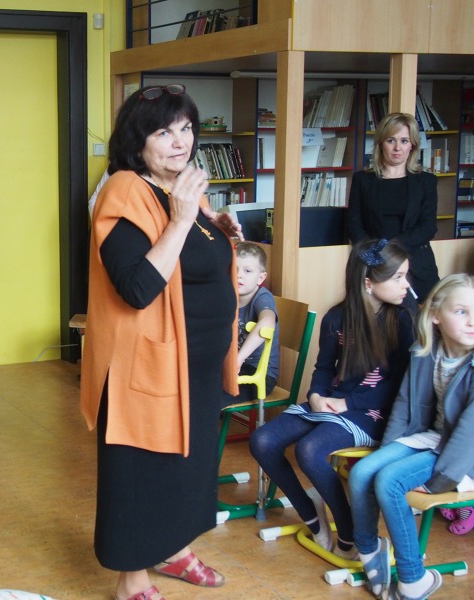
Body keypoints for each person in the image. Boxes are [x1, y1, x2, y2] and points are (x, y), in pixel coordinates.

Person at [79, 83, 243, 600]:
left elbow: (191, 261)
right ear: (137, 141)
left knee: (188, 468)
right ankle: (131, 578)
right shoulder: (124, 190)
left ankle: (174, 550)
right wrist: (183, 219)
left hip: (197, 364)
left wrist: (218, 231)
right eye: (164, 132)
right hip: (143, 366)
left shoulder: (183, 190)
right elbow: (137, 287)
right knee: (141, 472)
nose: (180, 142)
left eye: (186, 128)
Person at [249, 239, 415, 560]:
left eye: (405, 276)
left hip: (374, 412)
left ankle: (349, 532)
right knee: (262, 440)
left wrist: (348, 404)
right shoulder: (336, 318)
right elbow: (324, 367)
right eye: (397, 277)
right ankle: (312, 514)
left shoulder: (402, 320)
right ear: (368, 283)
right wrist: (315, 394)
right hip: (334, 402)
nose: (406, 284)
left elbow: (400, 384)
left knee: (309, 450)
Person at [349, 273, 474, 600]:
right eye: (461, 311)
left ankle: (413, 579)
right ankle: (370, 551)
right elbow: (404, 405)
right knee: (363, 472)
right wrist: (387, 451)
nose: (472, 321)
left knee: (389, 481)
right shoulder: (425, 351)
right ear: (435, 315)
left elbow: (468, 434)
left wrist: (440, 482)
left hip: (464, 456)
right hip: (434, 438)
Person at [347, 112, 440, 305]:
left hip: (417, 264)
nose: (398, 147)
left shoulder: (426, 181)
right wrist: (376, 254)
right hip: (374, 263)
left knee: (420, 318)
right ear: (381, 143)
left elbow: (428, 227)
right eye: (391, 140)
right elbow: (354, 224)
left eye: (404, 141)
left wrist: (390, 249)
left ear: (412, 145)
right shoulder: (362, 180)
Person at [223, 241, 279, 407]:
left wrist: (238, 359)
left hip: (259, 374)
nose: (239, 275)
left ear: (260, 278)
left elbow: (267, 323)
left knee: (208, 399)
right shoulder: (228, 295)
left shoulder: (262, 298)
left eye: (247, 271)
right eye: (235, 269)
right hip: (232, 367)